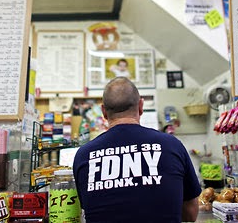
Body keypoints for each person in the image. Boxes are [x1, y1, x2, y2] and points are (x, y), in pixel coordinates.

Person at [73, 77, 201, 223]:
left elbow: (88, 208)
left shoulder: (84, 155)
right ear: (141, 106)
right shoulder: (172, 145)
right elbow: (191, 214)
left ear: (104, 111)